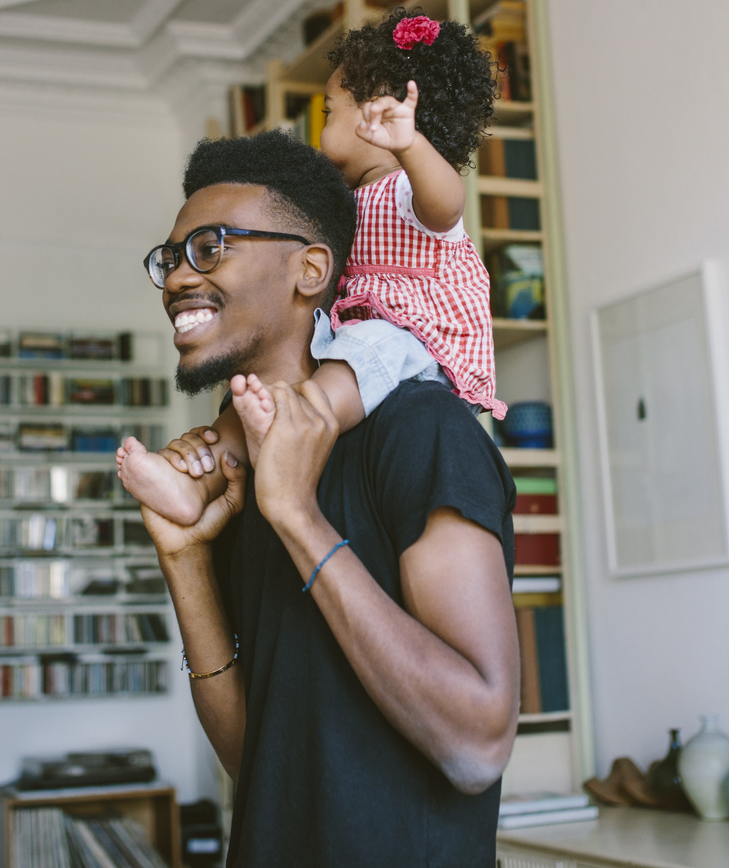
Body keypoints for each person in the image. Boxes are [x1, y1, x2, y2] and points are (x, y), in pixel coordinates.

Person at [137, 132, 519, 866]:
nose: (178, 278)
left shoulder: (422, 431)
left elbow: (477, 744)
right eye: (171, 257)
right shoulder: (238, 476)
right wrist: (184, 557)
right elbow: (257, 762)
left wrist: (298, 517)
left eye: (210, 248)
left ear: (310, 270)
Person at [117, 8, 502, 524]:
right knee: (258, 391)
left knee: (357, 355)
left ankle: (293, 428)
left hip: (416, 338)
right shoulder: (343, 200)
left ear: (377, 121)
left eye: (328, 112)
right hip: (354, 333)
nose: (321, 128)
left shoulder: (409, 188)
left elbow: (448, 204)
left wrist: (409, 145)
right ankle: (195, 479)